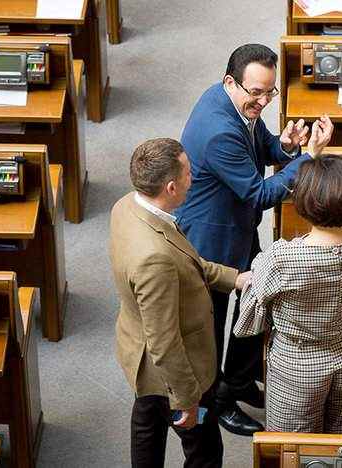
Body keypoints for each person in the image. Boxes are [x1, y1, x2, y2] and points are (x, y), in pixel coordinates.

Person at [175, 43, 334, 435]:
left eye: (270, 92)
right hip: (212, 240)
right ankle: (217, 402)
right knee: (210, 330)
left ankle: (240, 380)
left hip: (239, 227)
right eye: (256, 93)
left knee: (254, 303)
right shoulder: (218, 134)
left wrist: (284, 145)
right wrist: (308, 159)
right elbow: (259, 193)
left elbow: (260, 142)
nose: (263, 101)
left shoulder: (230, 100)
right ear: (231, 82)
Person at [109, 138, 250, 468]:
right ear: (171, 187)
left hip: (138, 353)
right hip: (175, 370)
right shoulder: (153, 260)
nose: (194, 177)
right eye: (188, 173)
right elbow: (165, 341)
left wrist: (235, 278)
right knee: (205, 452)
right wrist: (187, 400)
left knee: (147, 424)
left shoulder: (128, 205)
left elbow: (186, 262)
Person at [234, 155, 342, 434]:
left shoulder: (281, 257)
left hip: (297, 366)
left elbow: (252, 318)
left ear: (302, 202)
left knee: (294, 448)